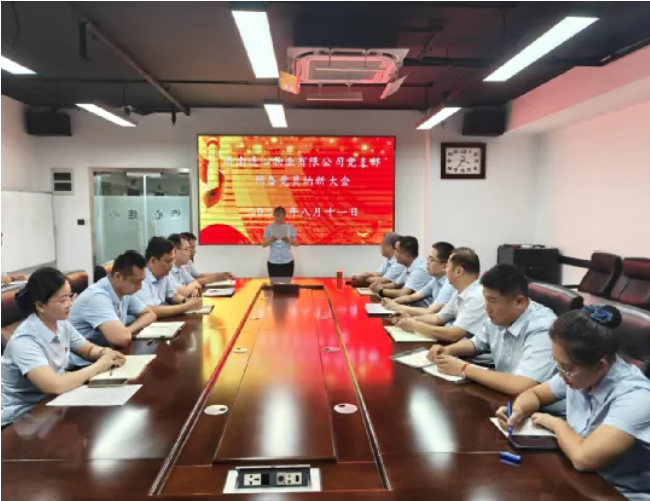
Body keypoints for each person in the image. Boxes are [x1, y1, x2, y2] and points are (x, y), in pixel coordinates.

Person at [496, 305, 650, 501]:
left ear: (601, 366)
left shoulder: (636, 397)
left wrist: (556, 423)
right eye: (557, 363)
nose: (561, 374)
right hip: (579, 479)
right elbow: (534, 394)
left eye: (566, 367)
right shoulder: (578, 372)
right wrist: (519, 411)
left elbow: (584, 458)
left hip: (618, 493)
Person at [1, 268, 125, 427]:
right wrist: (99, 366)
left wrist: (104, 352)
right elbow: (54, 385)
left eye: (70, 296)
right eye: (63, 300)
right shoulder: (25, 340)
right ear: (40, 306)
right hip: (21, 415)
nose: (70, 304)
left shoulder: (61, 324)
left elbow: (87, 350)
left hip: (52, 401)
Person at [428, 264, 557, 396]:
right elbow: (476, 344)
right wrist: (449, 350)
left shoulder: (543, 328)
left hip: (539, 406)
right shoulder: (500, 316)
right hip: (504, 395)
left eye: (493, 300)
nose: (487, 307)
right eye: (486, 299)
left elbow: (522, 385)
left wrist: (463, 368)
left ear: (519, 302)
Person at [68, 251, 157, 367]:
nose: (140, 287)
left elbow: (150, 314)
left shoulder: (125, 291)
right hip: (82, 363)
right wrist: (125, 333)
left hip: (106, 355)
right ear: (118, 277)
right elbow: (121, 339)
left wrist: (127, 330)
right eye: (136, 281)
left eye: (142, 281)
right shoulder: (96, 297)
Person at [395, 247, 487, 343]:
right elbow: (438, 318)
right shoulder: (459, 292)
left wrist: (415, 326)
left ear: (459, 271)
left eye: (448, 266)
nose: (445, 270)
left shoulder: (477, 297)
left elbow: (453, 335)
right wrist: (410, 319)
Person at [135, 237, 203, 318]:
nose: (171, 265)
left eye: (172, 261)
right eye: (168, 261)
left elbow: (172, 295)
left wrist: (186, 301)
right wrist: (185, 307)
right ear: (153, 261)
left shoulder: (163, 275)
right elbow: (149, 310)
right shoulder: (140, 279)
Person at [383, 241, 455, 313]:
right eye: (428, 258)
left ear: (444, 266)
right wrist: (392, 302)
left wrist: (396, 307)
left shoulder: (449, 284)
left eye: (431, 259)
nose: (427, 262)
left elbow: (430, 311)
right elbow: (411, 297)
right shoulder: (435, 280)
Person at [262, 207, 298, 278]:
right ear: (273, 215)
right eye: (277, 216)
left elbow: (296, 243)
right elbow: (264, 245)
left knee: (287, 284)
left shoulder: (290, 227)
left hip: (287, 262)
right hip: (273, 262)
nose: (279, 218)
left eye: (281, 216)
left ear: (285, 216)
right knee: (274, 284)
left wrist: (288, 240)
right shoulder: (269, 228)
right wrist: (270, 240)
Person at [167, 234, 202, 298]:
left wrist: (194, 288)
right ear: (174, 251)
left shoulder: (181, 268)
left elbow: (196, 282)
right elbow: (183, 293)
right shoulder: (167, 271)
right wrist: (193, 286)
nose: (190, 253)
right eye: (186, 249)